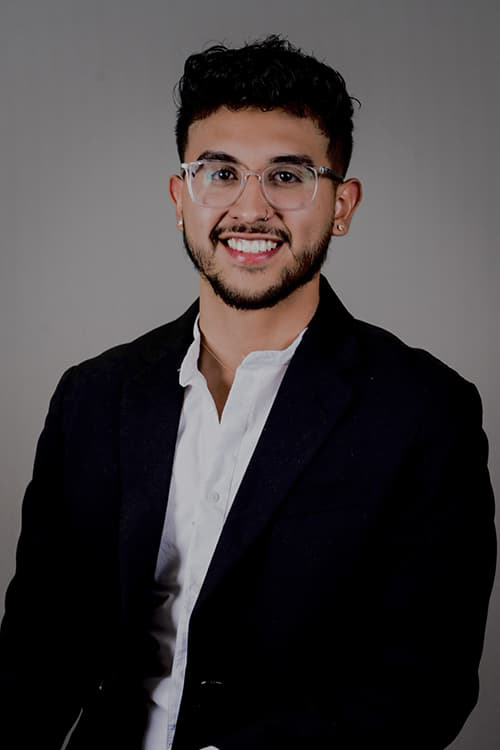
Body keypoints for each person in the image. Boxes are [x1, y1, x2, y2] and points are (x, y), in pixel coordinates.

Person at [0, 36, 496, 750]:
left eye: (288, 176)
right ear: (181, 197)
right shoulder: (92, 396)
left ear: (343, 204)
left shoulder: (425, 411)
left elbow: (424, 684)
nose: (251, 207)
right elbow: (37, 652)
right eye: (221, 172)